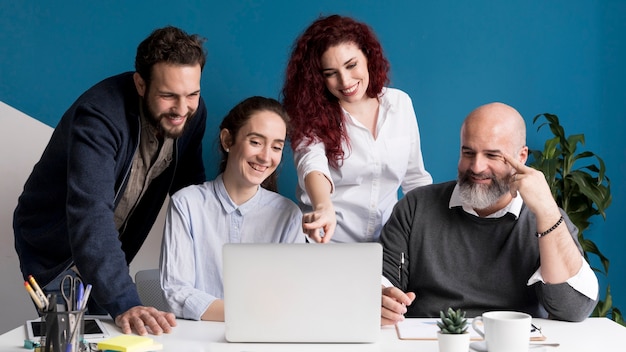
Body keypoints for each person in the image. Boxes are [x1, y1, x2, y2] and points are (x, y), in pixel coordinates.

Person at [13, 26, 208, 335]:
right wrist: (125, 301)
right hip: (56, 255)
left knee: (117, 336)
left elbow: (190, 189)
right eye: (168, 95)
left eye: (192, 94)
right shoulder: (98, 118)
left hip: (109, 254)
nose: (182, 109)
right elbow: (91, 216)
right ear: (141, 84)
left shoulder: (190, 114)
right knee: (72, 341)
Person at [379, 102, 599, 325]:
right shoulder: (416, 206)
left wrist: (548, 212)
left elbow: (574, 309)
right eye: (468, 153)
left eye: (493, 155)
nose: (476, 167)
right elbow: (383, 280)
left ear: (521, 157)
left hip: (513, 342)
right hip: (429, 341)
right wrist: (382, 298)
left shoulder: (546, 217)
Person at [282, 14, 432, 243]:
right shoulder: (310, 114)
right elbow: (311, 164)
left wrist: (433, 230)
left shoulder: (400, 104)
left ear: (368, 57)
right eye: (330, 73)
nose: (345, 81)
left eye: (351, 65)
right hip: (326, 243)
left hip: (387, 247)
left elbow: (415, 180)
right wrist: (323, 206)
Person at [160, 96, 305, 322]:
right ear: (228, 140)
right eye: (256, 142)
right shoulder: (187, 204)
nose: (266, 157)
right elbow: (176, 292)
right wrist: (251, 312)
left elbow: (291, 296)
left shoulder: (288, 216)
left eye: (276, 147)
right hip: (198, 341)